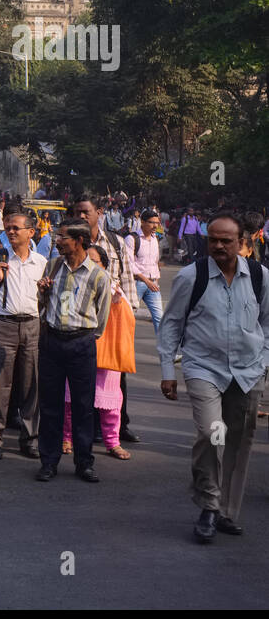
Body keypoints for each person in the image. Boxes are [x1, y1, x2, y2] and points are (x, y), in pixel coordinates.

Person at [158, 213, 268, 542]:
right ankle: (208, 504)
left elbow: (266, 323)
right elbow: (172, 324)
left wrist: (263, 360)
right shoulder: (193, 276)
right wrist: (167, 371)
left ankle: (225, 512)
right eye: (213, 240)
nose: (218, 246)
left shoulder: (261, 278)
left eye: (226, 241)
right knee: (211, 433)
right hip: (203, 367)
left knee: (238, 441)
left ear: (243, 244)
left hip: (248, 371)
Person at [34, 219, 113, 483]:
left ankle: (84, 462)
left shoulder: (98, 276)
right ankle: (48, 461)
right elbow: (42, 306)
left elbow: (101, 317)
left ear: (78, 241)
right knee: (50, 404)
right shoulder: (52, 266)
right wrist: (42, 293)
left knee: (83, 406)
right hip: (52, 342)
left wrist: (85, 338)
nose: (57, 241)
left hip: (82, 344)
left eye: (62, 237)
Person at [0, 210, 48, 459]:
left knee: (31, 384)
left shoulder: (40, 262)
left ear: (31, 232)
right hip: (2, 325)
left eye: (16, 228)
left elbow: (45, 299)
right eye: (8, 228)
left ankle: (30, 438)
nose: (11, 232)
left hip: (32, 325)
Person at [70, 196, 141, 443]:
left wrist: (129, 313)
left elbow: (127, 276)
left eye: (85, 212)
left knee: (115, 374)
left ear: (98, 212)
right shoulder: (69, 241)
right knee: (84, 374)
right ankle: (86, 427)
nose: (81, 216)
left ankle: (119, 426)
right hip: (81, 319)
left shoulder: (115, 242)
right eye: (77, 212)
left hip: (112, 316)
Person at [60, 244, 134, 462]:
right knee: (70, 400)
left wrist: (117, 300)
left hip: (106, 353)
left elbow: (126, 318)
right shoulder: (70, 283)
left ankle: (113, 442)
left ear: (105, 265)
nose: (90, 265)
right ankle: (67, 438)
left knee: (110, 403)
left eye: (96, 261)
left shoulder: (114, 289)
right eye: (87, 261)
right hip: (77, 349)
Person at [130, 209, 164, 336]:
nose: (155, 226)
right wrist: (146, 280)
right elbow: (129, 264)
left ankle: (166, 353)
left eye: (157, 223)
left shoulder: (155, 239)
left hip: (153, 285)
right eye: (151, 222)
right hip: (136, 284)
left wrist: (156, 280)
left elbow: (155, 262)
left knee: (160, 319)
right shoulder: (132, 238)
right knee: (128, 318)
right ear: (142, 222)